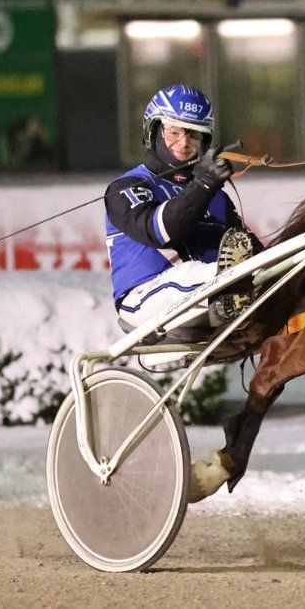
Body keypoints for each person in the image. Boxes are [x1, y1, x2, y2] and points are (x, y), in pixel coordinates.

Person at [104, 84, 259, 502]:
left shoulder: (218, 200)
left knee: (257, 269)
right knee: (212, 272)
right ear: (153, 132)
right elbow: (162, 231)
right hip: (146, 301)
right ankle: (228, 291)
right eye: (173, 133)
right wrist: (204, 185)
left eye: (193, 136)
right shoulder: (125, 188)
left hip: (204, 293)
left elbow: (248, 254)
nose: (183, 143)